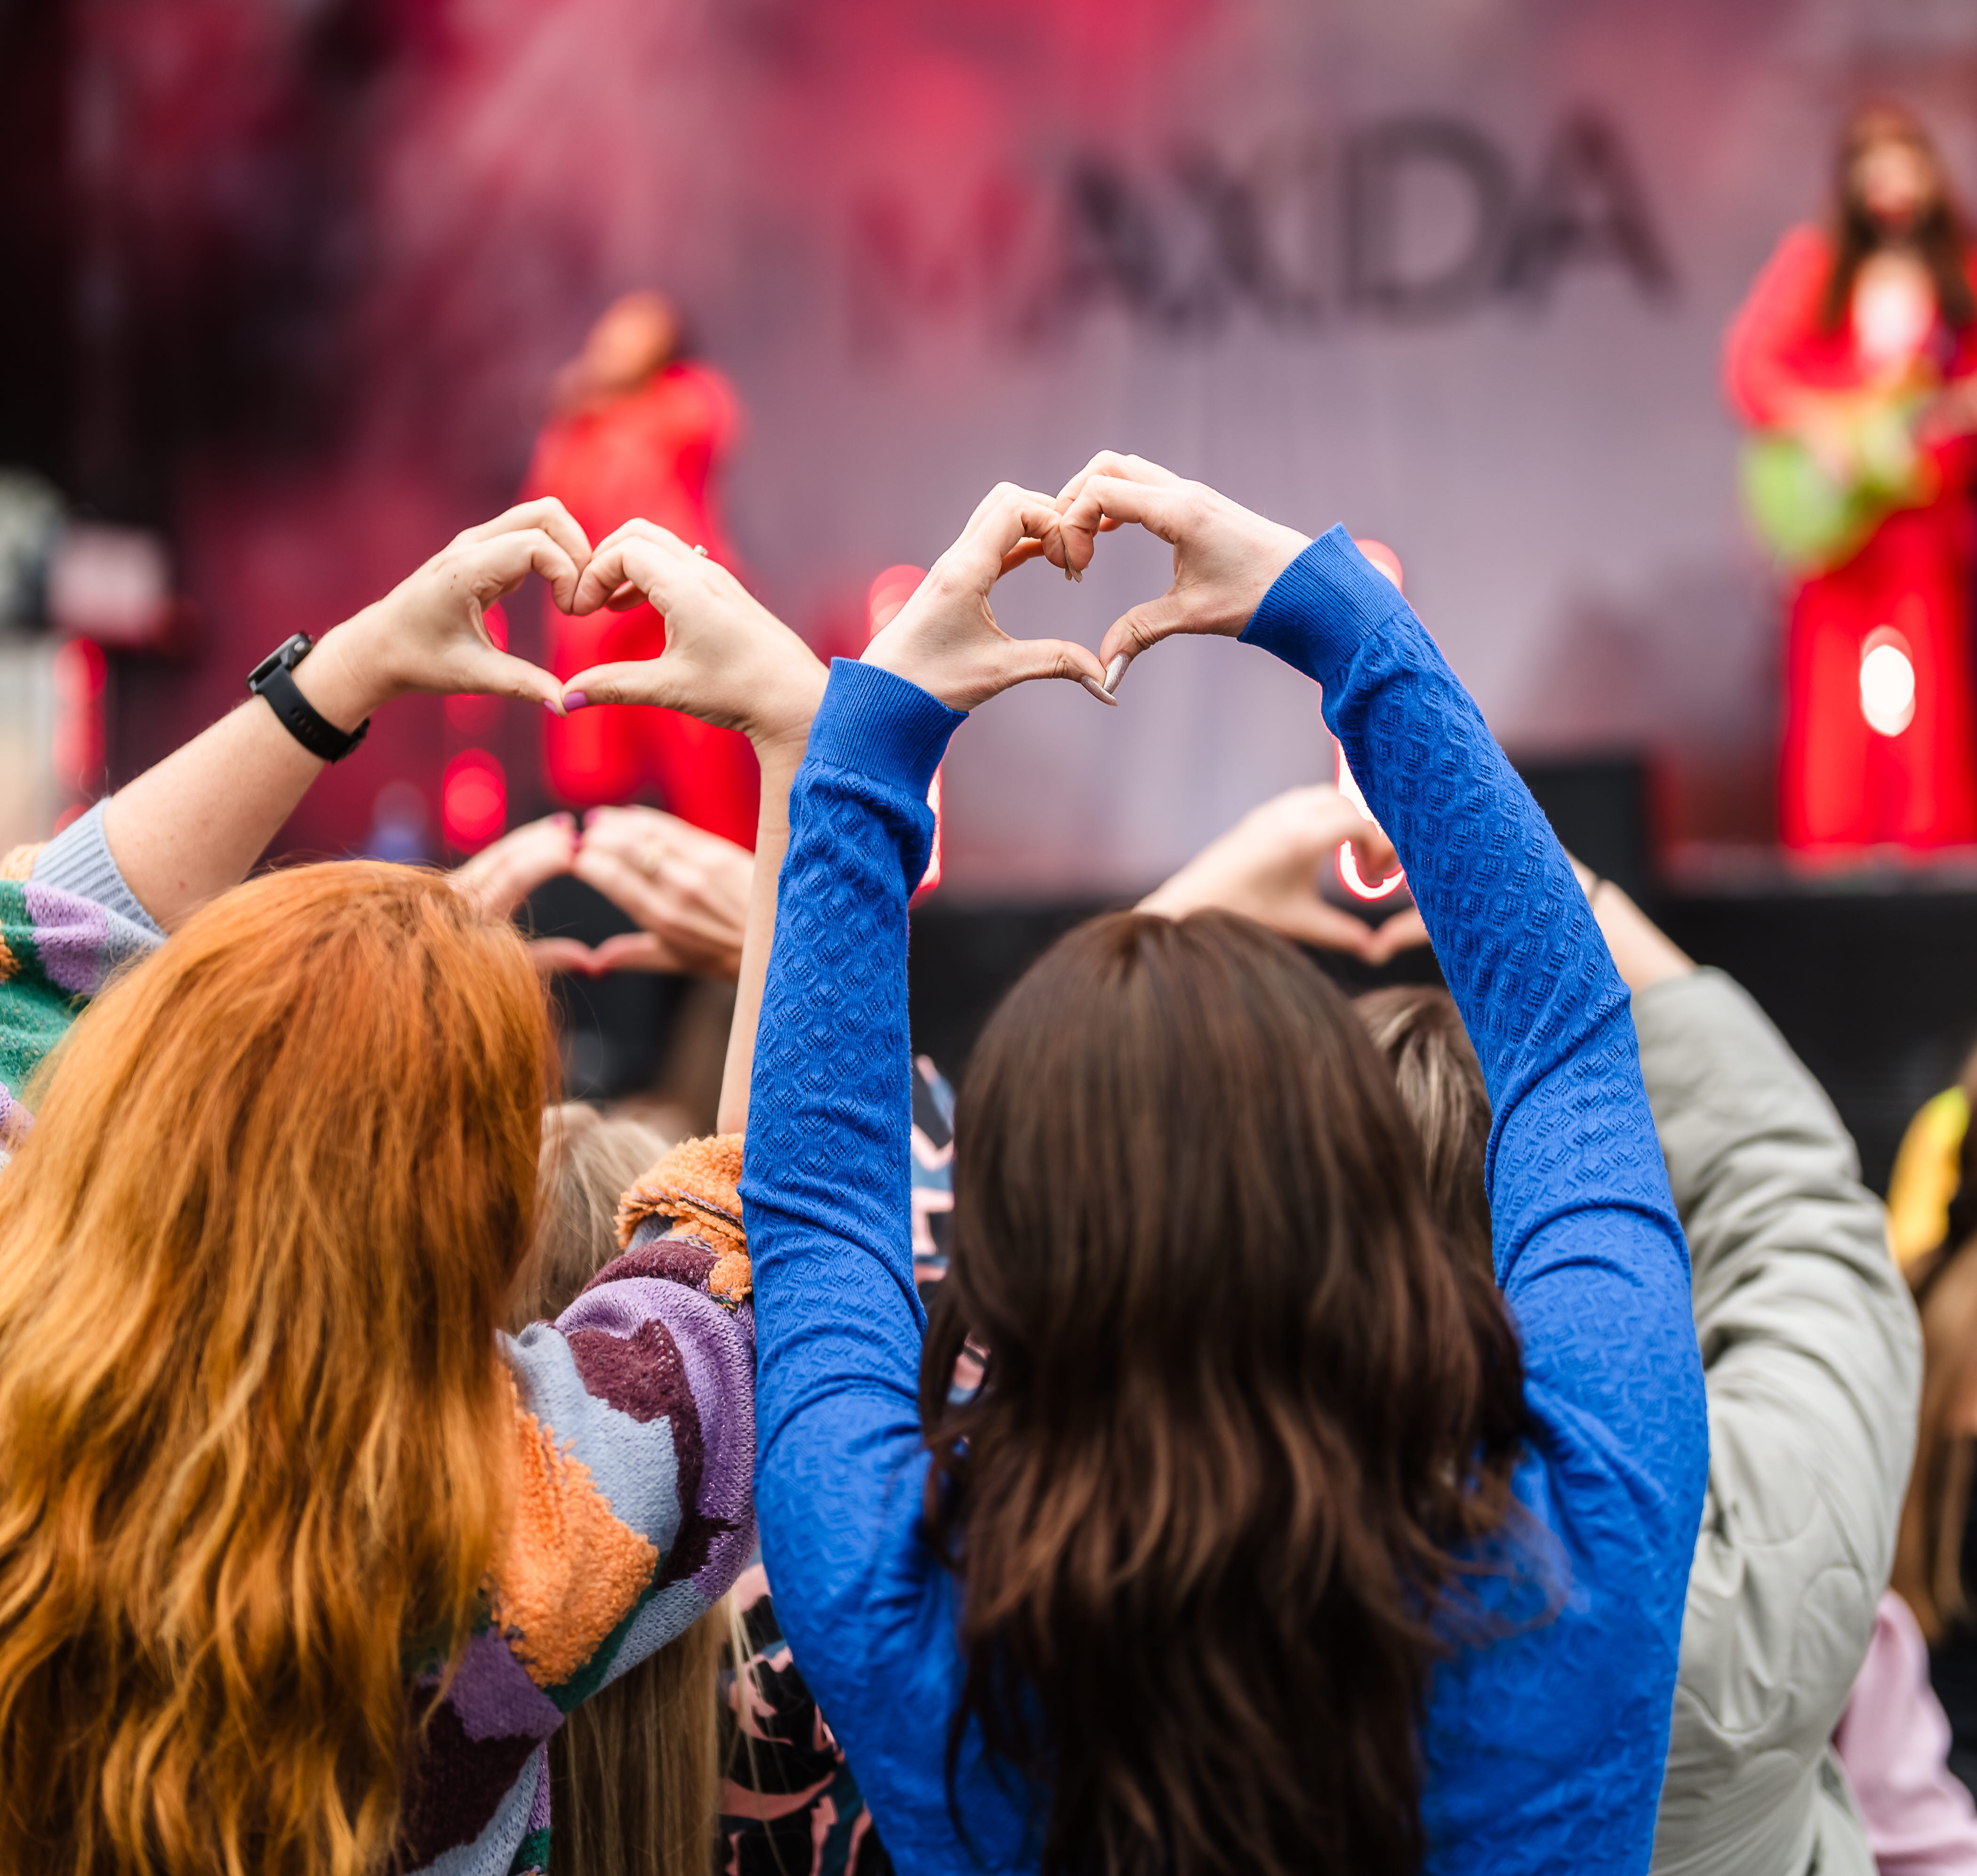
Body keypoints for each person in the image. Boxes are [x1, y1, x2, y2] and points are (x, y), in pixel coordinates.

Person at [560, 458, 1709, 1871]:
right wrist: (1334, 621)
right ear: (1358, 1195)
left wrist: (871, 742)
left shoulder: (909, 1618)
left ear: (1008, 1261)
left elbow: (818, 1216)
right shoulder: (1583, 1542)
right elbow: (1566, 1048)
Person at [0, 498, 820, 1876]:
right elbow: (757, 1238)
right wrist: (806, 747)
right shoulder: (517, 1542)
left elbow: (29, 949)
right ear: (469, 1230)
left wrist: (348, 668)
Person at [1725, 102, 1977, 850]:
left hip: (1915, 527)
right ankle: (1831, 851)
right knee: (1834, 703)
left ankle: (1929, 853)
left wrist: (1929, 439)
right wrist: (1827, 424)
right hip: (1836, 530)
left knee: (1924, 701)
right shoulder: (1816, 264)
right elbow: (1750, 369)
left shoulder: (1959, 269)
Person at [524, 292, 759, 846]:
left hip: (676, 621)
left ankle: (737, 919)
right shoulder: (575, 428)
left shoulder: (688, 402)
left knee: (712, 793)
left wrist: (596, 402)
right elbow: (546, 500)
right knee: (593, 800)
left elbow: (702, 429)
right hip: (598, 630)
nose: (615, 344)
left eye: (635, 333)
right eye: (612, 330)